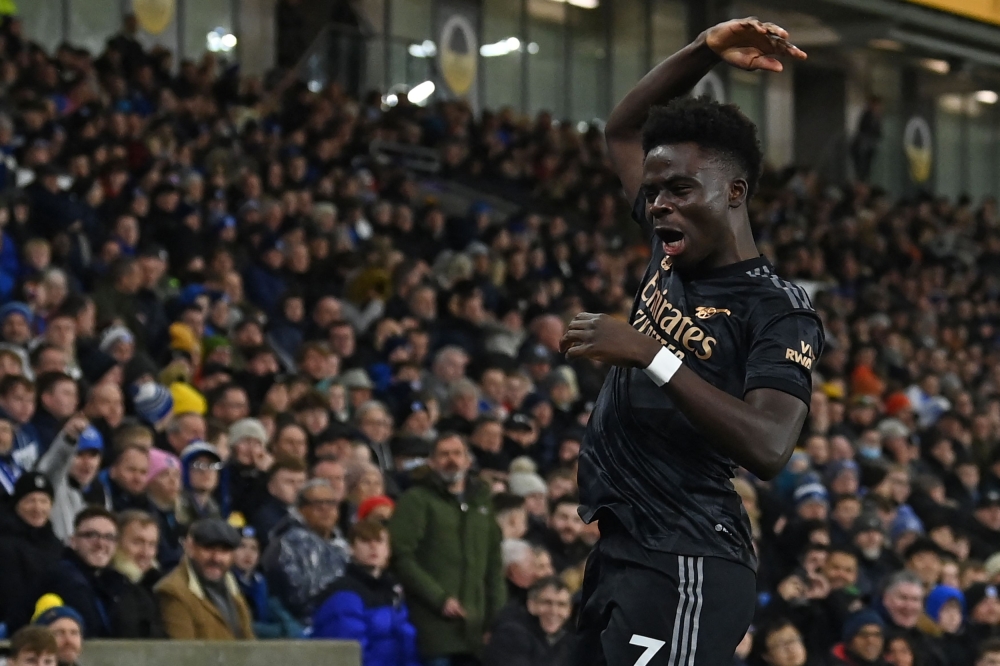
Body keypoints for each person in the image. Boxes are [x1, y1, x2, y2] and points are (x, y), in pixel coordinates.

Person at [566, 17, 818, 666]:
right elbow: (623, 130)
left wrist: (651, 353)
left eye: (679, 189)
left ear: (734, 193)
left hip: (689, 560)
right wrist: (704, 49)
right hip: (624, 548)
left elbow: (769, 445)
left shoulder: (778, 310)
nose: (658, 206)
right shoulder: (669, 247)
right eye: (652, 193)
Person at [388, 433, 506, 664]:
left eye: (457, 453)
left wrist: (497, 621)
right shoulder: (416, 500)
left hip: (476, 632)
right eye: (443, 454)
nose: (451, 460)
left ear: (468, 461)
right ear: (431, 462)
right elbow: (401, 555)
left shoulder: (482, 504)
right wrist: (440, 599)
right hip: (433, 629)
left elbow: (494, 565)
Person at [36, 506, 163, 638]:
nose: (100, 543)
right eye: (91, 535)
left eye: (108, 537)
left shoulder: (108, 582)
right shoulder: (67, 579)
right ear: (73, 541)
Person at [312, 520, 421, 666]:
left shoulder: (393, 591)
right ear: (351, 548)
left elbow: (407, 644)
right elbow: (351, 650)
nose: (373, 547)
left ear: (388, 550)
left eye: (379, 541)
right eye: (365, 541)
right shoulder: (343, 594)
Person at [260, 479, 349, 622]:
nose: (325, 509)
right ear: (301, 509)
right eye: (317, 504)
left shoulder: (342, 546)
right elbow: (298, 598)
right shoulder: (289, 543)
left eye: (331, 503)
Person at [155, 518, 255, 640]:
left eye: (224, 551)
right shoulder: (173, 591)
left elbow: (248, 640)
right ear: (191, 548)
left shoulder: (231, 585)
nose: (216, 558)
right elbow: (182, 653)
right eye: (208, 548)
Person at [0, 472, 64, 634]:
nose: (38, 508)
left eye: (44, 501)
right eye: (30, 501)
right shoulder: (5, 544)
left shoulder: (55, 544)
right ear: (16, 504)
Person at [484, 577, 578, 666]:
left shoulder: (571, 641)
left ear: (569, 610)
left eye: (561, 605)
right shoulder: (510, 635)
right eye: (547, 602)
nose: (554, 611)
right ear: (531, 604)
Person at [231, 524, 303, 639]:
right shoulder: (227, 581)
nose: (248, 554)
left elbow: (275, 609)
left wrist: (291, 627)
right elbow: (239, 626)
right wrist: (280, 631)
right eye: (242, 546)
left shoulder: (259, 582)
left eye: (254, 548)